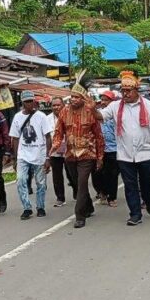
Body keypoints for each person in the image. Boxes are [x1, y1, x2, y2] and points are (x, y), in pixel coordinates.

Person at [88, 70, 150, 226]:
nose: (125, 94)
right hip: (124, 155)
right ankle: (135, 214)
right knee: (130, 186)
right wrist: (91, 108)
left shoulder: (149, 106)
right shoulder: (115, 106)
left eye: (128, 90)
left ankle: (148, 199)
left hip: (145, 153)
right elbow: (100, 117)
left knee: (147, 183)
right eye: (122, 91)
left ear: (136, 90)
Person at [51, 71, 104, 228]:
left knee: (81, 184)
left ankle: (79, 216)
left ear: (83, 98)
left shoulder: (90, 112)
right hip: (70, 155)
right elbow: (58, 131)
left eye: (77, 97)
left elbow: (99, 136)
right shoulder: (64, 112)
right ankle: (88, 206)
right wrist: (55, 144)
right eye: (72, 97)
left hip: (87, 154)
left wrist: (100, 157)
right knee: (76, 184)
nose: (73, 100)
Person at [11, 90, 52, 220]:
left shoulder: (41, 116)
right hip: (23, 155)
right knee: (21, 181)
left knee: (40, 183)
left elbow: (48, 137)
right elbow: (15, 138)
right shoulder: (17, 117)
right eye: (27, 102)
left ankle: (40, 206)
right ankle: (27, 208)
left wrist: (47, 157)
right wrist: (15, 158)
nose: (30, 104)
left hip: (39, 155)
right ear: (22, 102)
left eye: (31, 101)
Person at [47, 97, 73, 207]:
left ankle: (77, 192)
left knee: (71, 174)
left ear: (63, 105)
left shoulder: (70, 116)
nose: (56, 107)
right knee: (57, 176)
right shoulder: (47, 119)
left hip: (69, 150)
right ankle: (60, 198)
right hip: (54, 151)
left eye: (58, 105)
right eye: (54, 105)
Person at [99, 90, 120, 207]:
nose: (103, 102)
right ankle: (102, 191)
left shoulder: (117, 115)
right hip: (101, 149)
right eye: (102, 100)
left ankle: (112, 197)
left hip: (114, 149)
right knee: (100, 172)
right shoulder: (98, 114)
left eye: (106, 100)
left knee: (113, 173)